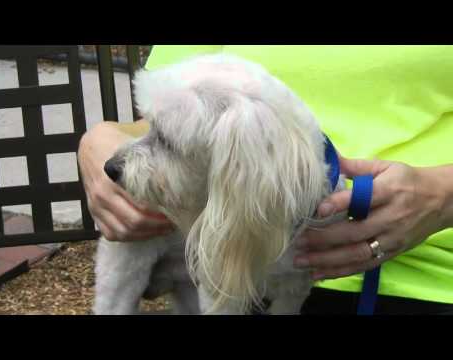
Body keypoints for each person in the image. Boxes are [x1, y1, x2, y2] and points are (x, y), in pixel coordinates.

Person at [78, 45, 453, 314]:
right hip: (227, 256)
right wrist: (99, 138)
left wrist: (444, 196)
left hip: (429, 280)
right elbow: (173, 120)